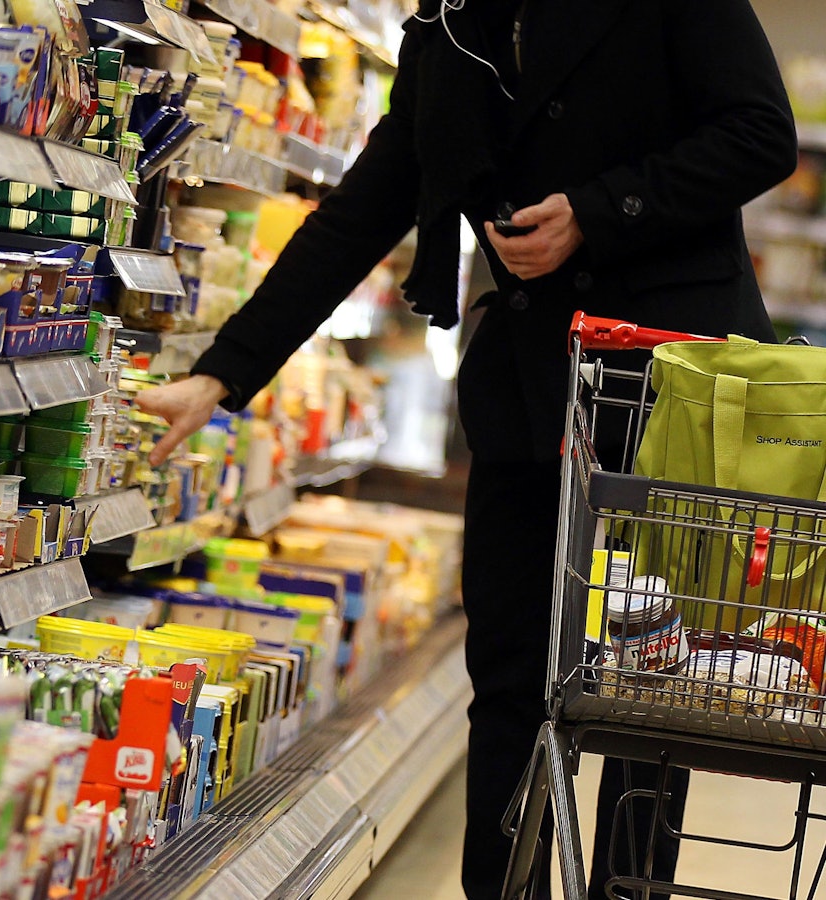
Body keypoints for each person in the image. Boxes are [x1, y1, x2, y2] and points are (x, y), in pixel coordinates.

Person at [135, 1, 799, 896]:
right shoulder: (454, 23)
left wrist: (598, 213)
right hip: (529, 386)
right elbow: (362, 211)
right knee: (510, 677)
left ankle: (629, 890)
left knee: (652, 690)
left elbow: (761, 133)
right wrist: (222, 373)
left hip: (667, 387)